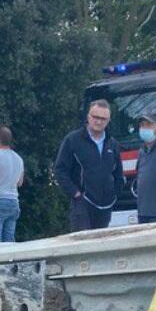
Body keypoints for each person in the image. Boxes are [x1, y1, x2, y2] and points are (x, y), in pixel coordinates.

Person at [54, 99, 125, 231]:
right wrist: (75, 193)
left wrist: (114, 194)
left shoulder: (113, 144)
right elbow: (60, 170)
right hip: (82, 204)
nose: (98, 121)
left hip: (105, 205)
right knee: (83, 244)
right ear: (88, 117)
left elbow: (118, 173)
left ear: (108, 120)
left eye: (103, 119)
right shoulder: (72, 140)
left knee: (102, 246)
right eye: (95, 117)